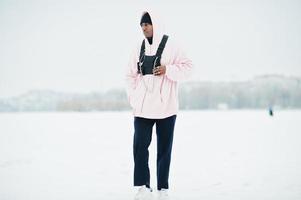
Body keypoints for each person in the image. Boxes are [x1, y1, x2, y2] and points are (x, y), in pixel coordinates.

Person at [125, 10, 193, 200]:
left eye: (147, 23)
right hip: (142, 109)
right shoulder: (138, 47)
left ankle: (163, 189)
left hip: (167, 108)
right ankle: (143, 187)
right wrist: (134, 98)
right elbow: (129, 76)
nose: (144, 27)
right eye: (142, 25)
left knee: (164, 149)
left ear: (156, 24)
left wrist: (168, 70)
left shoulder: (172, 45)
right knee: (139, 148)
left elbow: (188, 67)